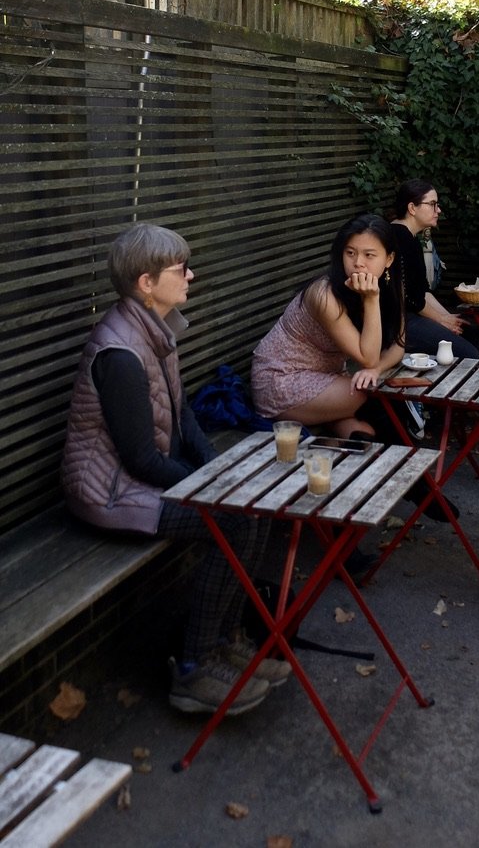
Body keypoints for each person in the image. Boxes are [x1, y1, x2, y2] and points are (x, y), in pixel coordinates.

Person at [61, 223, 291, 715]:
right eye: (180, 268)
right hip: (111, 494)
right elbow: (140, 459)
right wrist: (214, 487)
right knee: (234, 516)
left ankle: (225, 640)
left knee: (253, 506)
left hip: (140, 480)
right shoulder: (120, 352)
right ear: (146, 282)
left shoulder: (153, 328)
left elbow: (181, 412)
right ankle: (193, 668)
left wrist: (219, 468)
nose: (192, 274)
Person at [251, 213, 405, 439]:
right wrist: (371, 300)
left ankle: (376, 465)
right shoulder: (324, 295)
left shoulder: (392, 287)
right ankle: (406, 466)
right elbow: (368, 357)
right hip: (282, 379)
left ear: (389, 259)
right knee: (374, 397)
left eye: (369, 255)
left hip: (328, 377)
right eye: (350, 253)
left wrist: (376, 370)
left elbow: (399, 345)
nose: (358, 262)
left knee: (365, 433)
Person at [391, 179, 479, 361]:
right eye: (432, 204)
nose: (438, 210)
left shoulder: (410, 238)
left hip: (411, 316)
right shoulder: (400, 238)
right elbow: (413, 300)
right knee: (470, 355)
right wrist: (441, 320)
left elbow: (423, 291)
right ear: (412, 208)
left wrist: (447, 317)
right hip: (397, 323)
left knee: (470, 331)